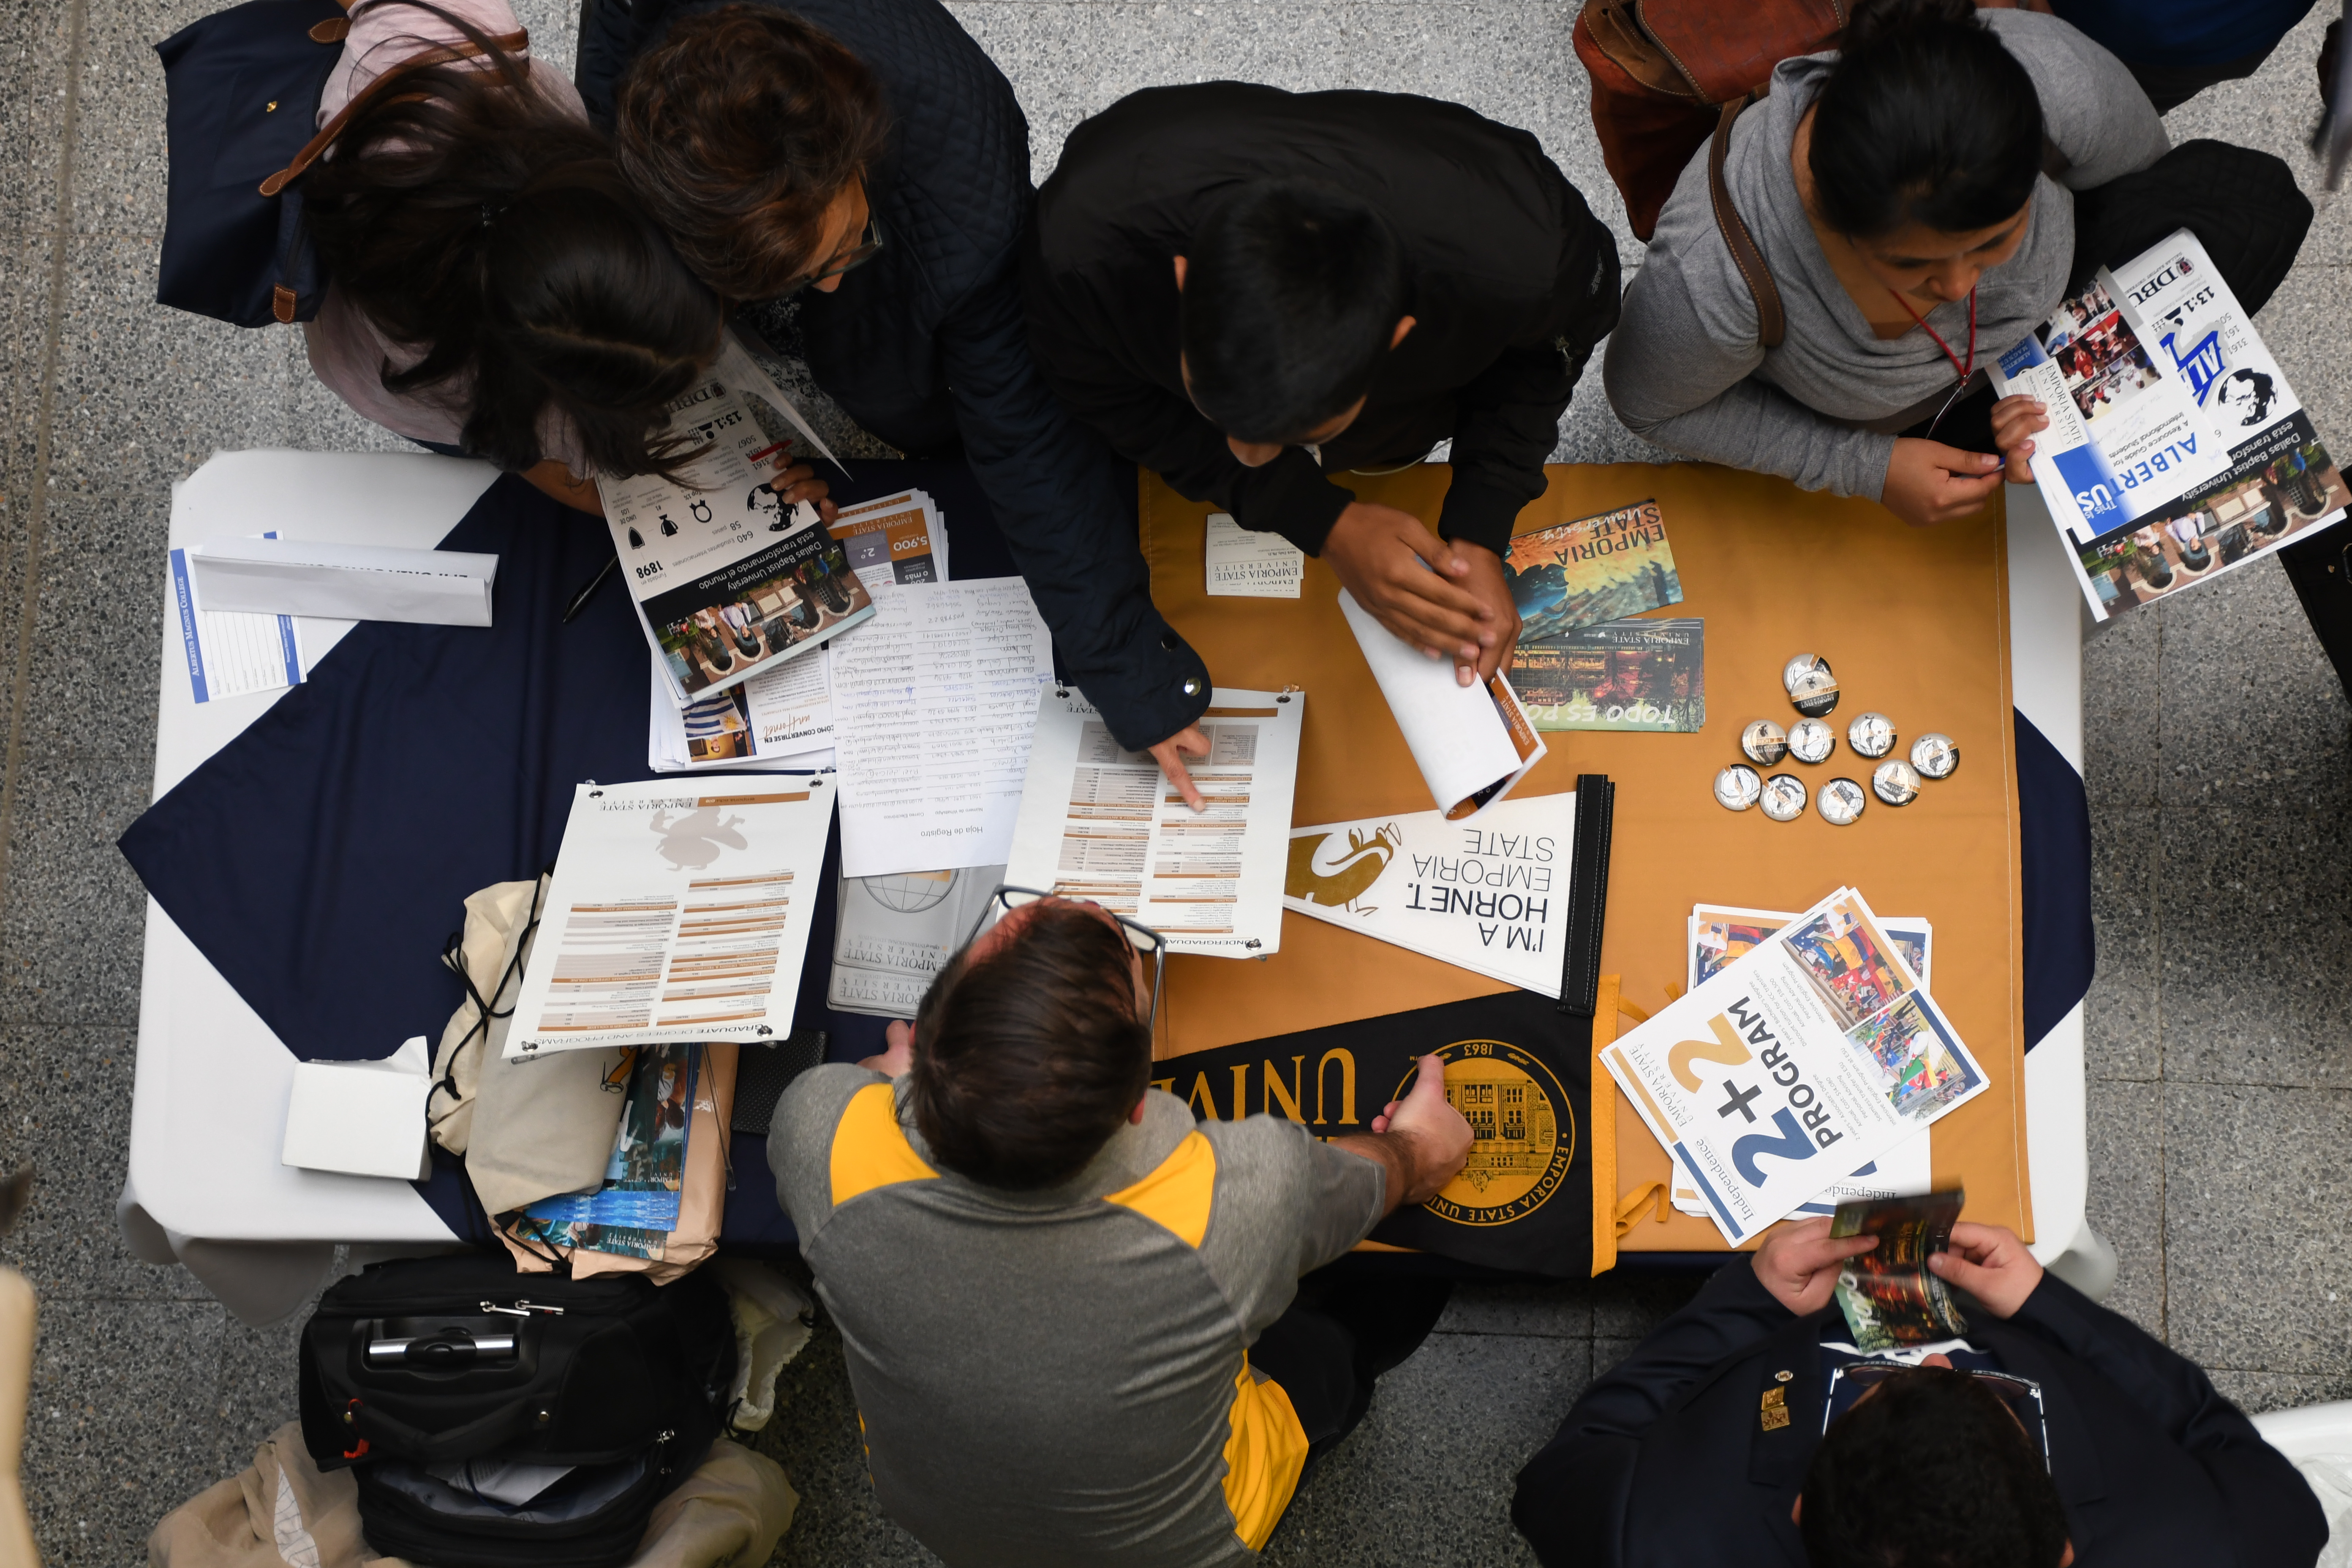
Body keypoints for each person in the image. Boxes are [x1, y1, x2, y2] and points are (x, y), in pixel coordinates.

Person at [574, 4, 1204, 773]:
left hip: (930, 186)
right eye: (806, 273)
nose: (835, 281)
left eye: (848, 242)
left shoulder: (963, 177)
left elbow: (1018, 426)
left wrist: (1134, 676)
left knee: (923, 377)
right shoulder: (636, 137)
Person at [769, 895, 1473, 1566]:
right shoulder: (1242, 1194)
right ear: (1139, 1103)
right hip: (1183, 1540)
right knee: (1346, 1335)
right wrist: (1416, 1149)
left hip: (928, 1505)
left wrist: (893, 1082)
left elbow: (852, 1091)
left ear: (924, 1042)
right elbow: (1391, 1177)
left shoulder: (819, 1131)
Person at [1024, 84, 1620, 800]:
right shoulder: (1078, 252)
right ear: (1183, 281)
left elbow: (1548, 354)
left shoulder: (1526, 256)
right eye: (1212, 403)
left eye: (1299, 433)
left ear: (1396, 340)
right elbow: (1109, 400)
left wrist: (1481, 522)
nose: (1242, 457)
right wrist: (1318, 517)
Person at [1603, 0, 2175, 529]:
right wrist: (1867, 468)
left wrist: (2084, 394)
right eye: (1908, 263)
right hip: (1905, 440)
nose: (1957, 287)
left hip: (2058, 362)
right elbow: (1650, 409)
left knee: (2250, 205)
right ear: (1826, 213)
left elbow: (2153, 188)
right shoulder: (1712, 275)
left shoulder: (2060, 81)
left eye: (1995, 239)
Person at [1511, 1216, 2328, 1567]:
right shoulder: (2229, 1545)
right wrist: (2044, 1306)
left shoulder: (1640, 1537)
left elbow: (1574, 1460)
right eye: (1986, 1395)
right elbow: (2211, 1433)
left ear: (1800, 1506)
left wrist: (1746, 1302)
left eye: (1882, 1386)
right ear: (2065, 1552)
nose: (1935, 1360)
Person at [299, 0, 834, 519]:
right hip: (388, 374)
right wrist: (751, 515)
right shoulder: (485, 387)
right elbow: (556, 472)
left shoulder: (451, 45)